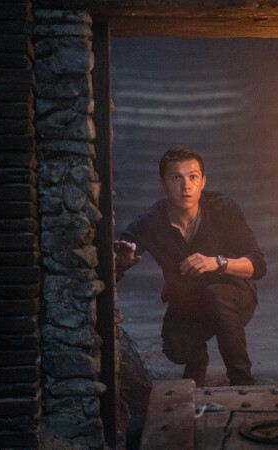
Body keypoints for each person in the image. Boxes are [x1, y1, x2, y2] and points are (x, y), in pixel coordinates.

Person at [114, 146, 266, 387]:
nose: (186, 186)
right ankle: (197, 358)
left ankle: (241, 379)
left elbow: (257, 265)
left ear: (203, 181)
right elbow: (122, 255)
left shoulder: (223, 209)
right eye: (176, 178)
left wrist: (217, 262)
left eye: (193, 177)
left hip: (234, 296)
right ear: (162, 184)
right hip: (188, 302)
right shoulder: (151, 221)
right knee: (175, 348)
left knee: (217, 294)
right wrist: (123, 260)